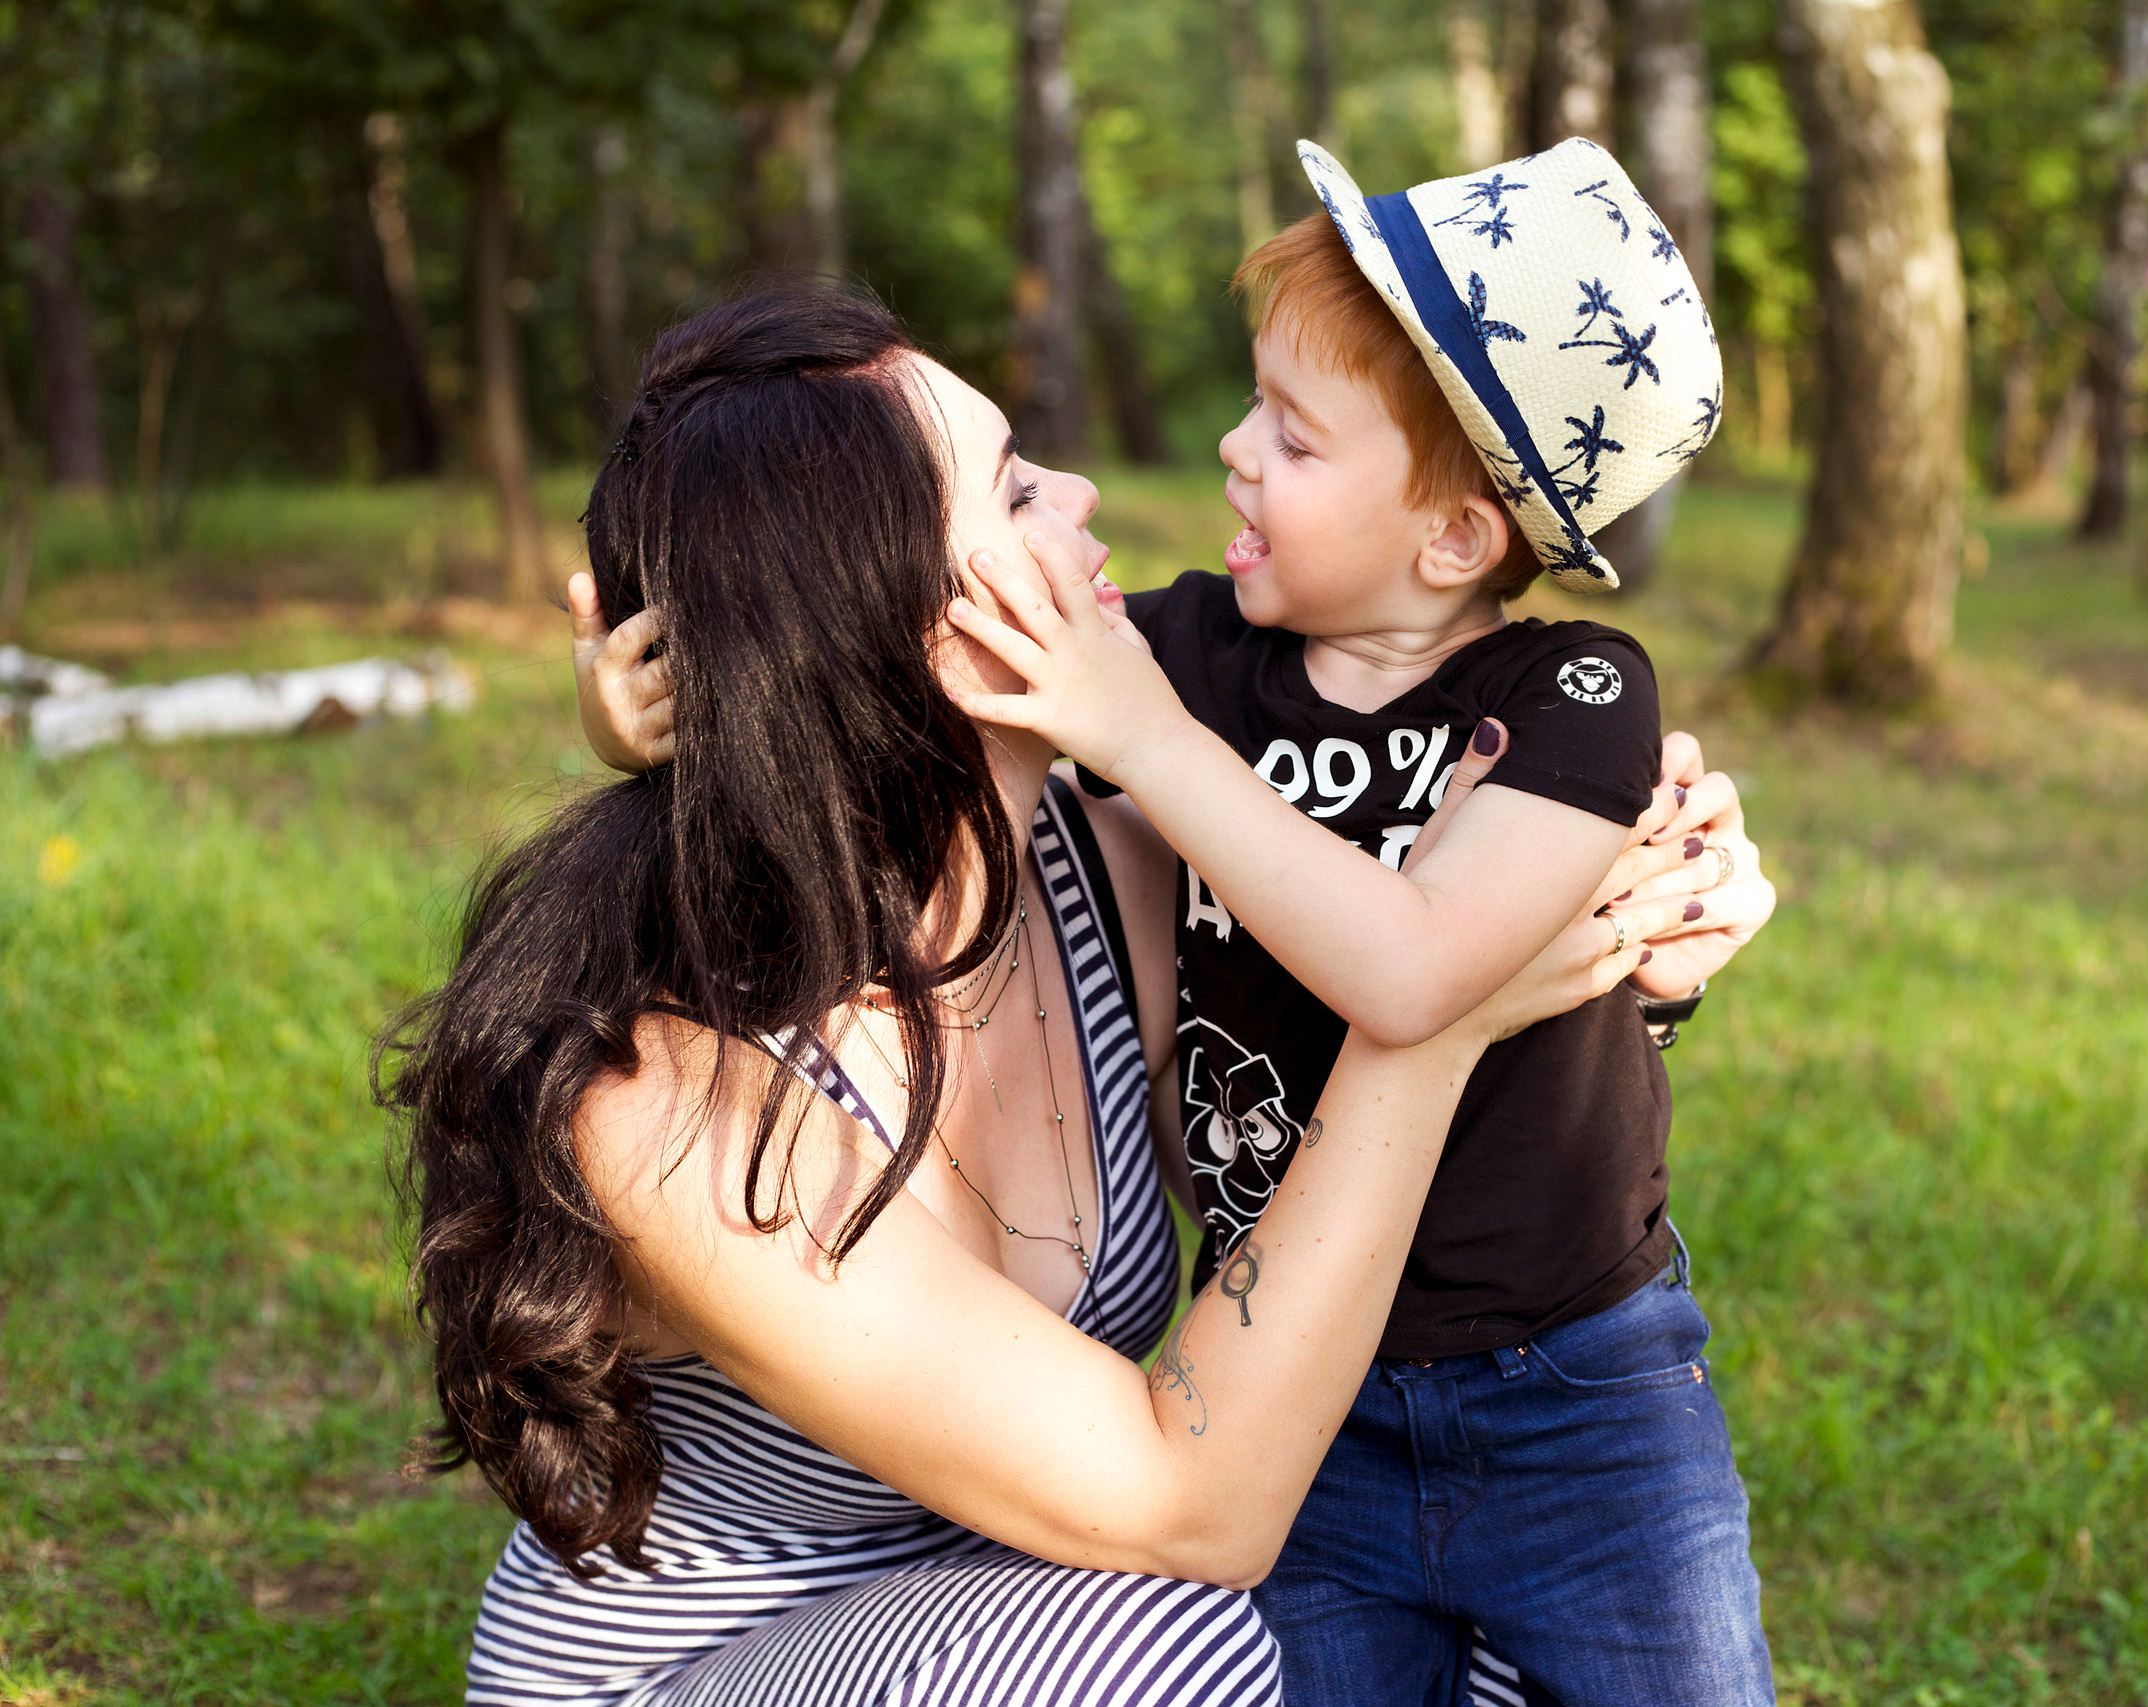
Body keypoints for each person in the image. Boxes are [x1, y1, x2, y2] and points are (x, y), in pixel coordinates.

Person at [385, 285, 1764, 1707]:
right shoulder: (675, 1098)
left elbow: (1360, 999)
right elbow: (1198, 1511)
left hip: (1031, 1583)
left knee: (1500, 1650)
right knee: (1207, 1648)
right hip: (723, 1669)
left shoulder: (1110, 866)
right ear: (894, 620)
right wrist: (1437, 1025)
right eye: (1017, 486)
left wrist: (1620, 935)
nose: (1089, 490)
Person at [916, 137, 1774, 1706]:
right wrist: (657, 707)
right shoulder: (1194, 651)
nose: (1238, 451)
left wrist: (1154, 747)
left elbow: (1414, 970)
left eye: (1296, 441)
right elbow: (926, 644)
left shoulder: (1569, 696)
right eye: (1256, 406)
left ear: (1452, 538)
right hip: (1296, 1394)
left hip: (1580, 1399)